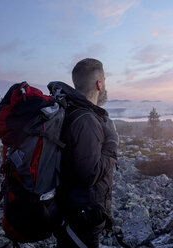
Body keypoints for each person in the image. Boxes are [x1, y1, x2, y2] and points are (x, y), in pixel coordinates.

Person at [55, 58, 118, 248]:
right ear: (99, 84)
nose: (105, 85)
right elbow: (89, 173)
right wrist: (113, 141)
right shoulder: (86, 120)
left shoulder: (70, 109)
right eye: (104, 80)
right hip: (82, 215)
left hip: (69, 210)